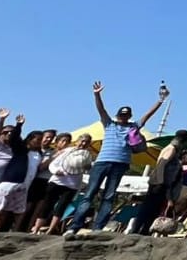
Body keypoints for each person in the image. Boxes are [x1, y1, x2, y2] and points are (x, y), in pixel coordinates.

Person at [66, 81, 164, 235]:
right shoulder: (109, 124)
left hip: (121, 164)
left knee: (109, 196)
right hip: (102, 162)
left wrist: (160, 100)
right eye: (122, 115)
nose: (124, 117)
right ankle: (74, 226)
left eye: (126, 115)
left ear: (130, 116)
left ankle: (98, 228)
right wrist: (97, 95)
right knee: (90, 194)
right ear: (118, 115)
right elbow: (101, 110)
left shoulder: (133, 127)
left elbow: (148, 115)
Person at [0, 126, 42, 233]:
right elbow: (14, 137)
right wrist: (19, 125)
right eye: (38, 139)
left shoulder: (39, 154)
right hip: (10, 181)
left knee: (11, 210)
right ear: (30, 139)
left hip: (24, 185)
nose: (39, 142)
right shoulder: (21, 148)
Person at [132, 129, 187, 235]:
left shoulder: (171, 149)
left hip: (159, 182)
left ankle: (144, 229)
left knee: (153, 208)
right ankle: (138, 229)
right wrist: (160, 182)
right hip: (159, 182)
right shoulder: (171, 149)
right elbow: (162, 164)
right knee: (149, 208)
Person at [35, 133, 92, 235]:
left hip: (72, 185)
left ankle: (50, 230)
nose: (83, 144)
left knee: (61, 207)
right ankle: (36, 229)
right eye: (82, 141)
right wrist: (56, 171)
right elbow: (53, 164)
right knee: (46, 205)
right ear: (77, 141)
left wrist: (87, 166)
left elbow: (87, 168)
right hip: (57, 181)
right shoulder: (67, 150)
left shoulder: (87, 155)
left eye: (86, 142)